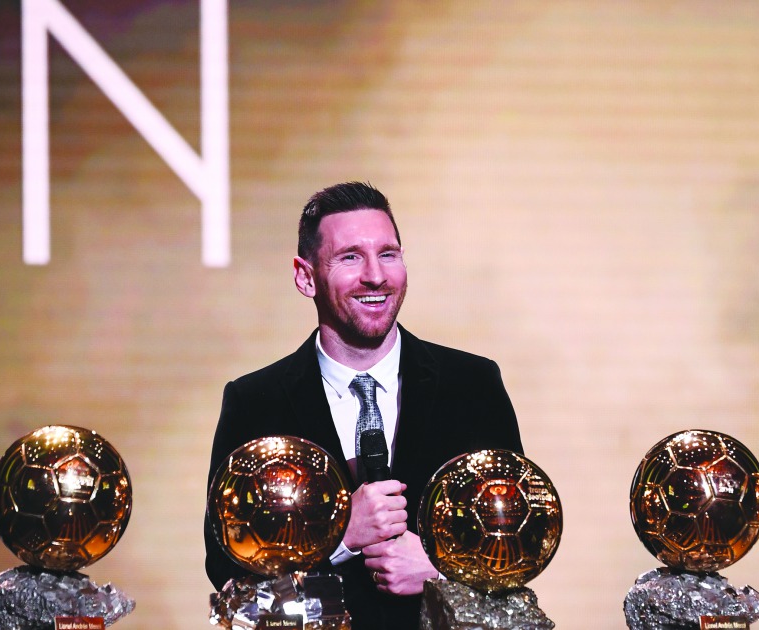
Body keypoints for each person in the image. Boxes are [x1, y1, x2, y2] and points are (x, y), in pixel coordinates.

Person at [204, 182, 523, 629]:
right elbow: (226, 574)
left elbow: (517, 540)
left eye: (388, 254)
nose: (376, 275)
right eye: (351, 257)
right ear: (305, 275)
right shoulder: (255, 401)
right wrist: (337, 536)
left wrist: (440, 567)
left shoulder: (472, 384)